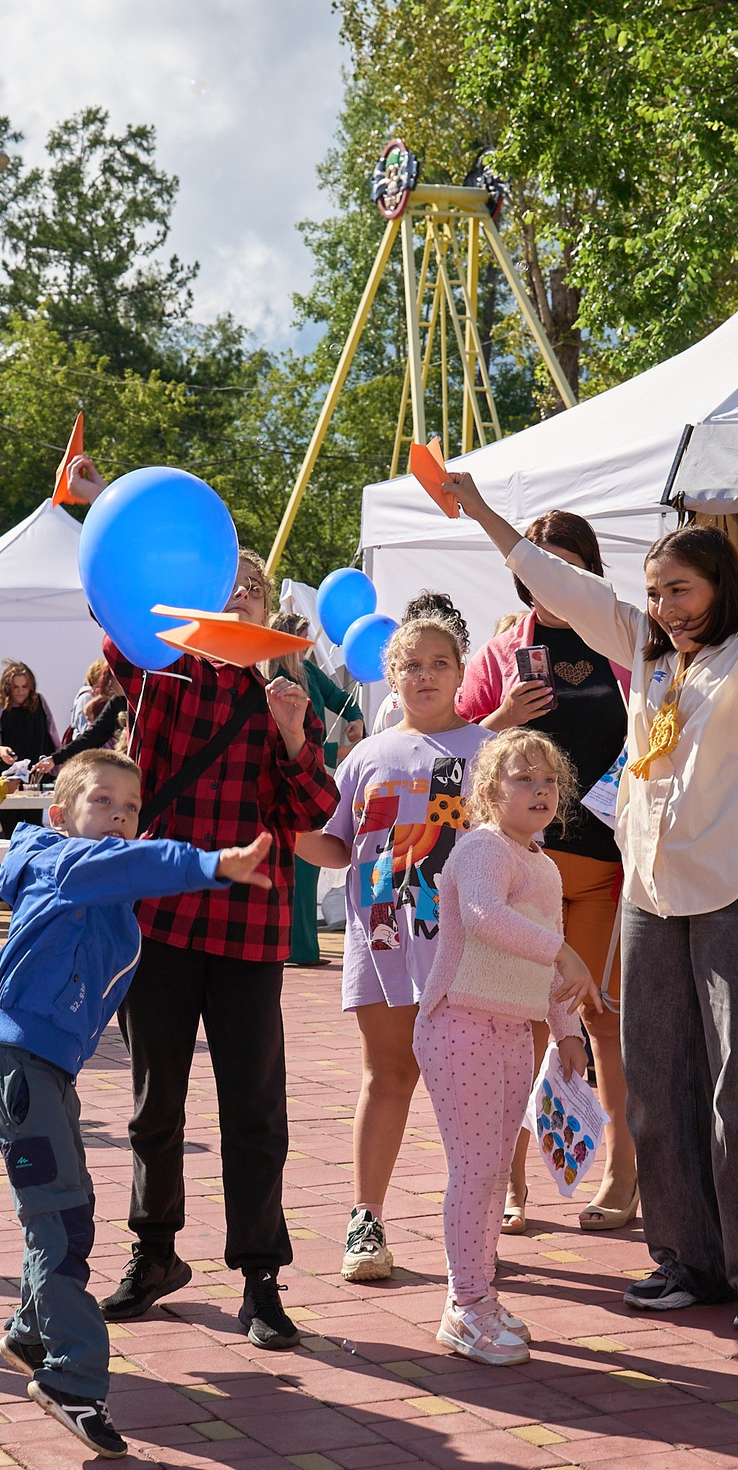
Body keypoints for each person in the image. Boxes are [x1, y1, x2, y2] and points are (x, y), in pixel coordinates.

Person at [442, 453, 738, 1335]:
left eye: (682, 588)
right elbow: (564, 588)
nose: (665, 605)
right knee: (658, 1077)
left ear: (719, 587)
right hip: (653, 888)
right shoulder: (646, 650)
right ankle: (686, 1257)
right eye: (655, 590)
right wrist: (480, 515)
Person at [0, 752, 274, 1456]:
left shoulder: (103, 889)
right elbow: (127, 865)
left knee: (62, 1207)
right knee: (62, 1222)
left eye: (130, 808)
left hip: (47, 1074)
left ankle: (31, 1330)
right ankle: (73, 1378)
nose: (117, 817)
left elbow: (127, 875)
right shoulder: (60, 862)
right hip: (22, 1069)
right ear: (59, 815)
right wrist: (208, 864)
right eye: (102, 802)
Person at [94, 550, 338, 1351]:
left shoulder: (283, 695)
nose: (242, 592)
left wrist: (297, 734)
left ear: (270, 610)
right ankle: (154, 1251)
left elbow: (309, 810)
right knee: (154, 1100)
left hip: (248, 927)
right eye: (226, 582)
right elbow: (115, 627)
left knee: (255, 1107)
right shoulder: (164, 671)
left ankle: (261, 1278)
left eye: (256, 585)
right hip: (161, 915)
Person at [295, 618, 491, 1286]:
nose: (426, 674)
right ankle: (366, 1219)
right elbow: (337, 844)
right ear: (392, 674)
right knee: (388, 1075)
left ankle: (476, 1221)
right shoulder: (367, 757)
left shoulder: (488, 749)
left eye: (440, 661)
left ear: (462, 670)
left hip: (466, 949)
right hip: (381, 940)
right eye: (411, 664)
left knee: (469, 1088)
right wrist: (283, 831)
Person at [455, 512, 636, 1235]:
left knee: (600, 1018)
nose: (549, 577)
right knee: (519, 1022)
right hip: (520, 876)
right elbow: (454, 756)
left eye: (564, 563)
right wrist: (500, 718)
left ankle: (624, 1171)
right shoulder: (501, 652)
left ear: (588, 569)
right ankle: (510, 1178)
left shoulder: (623, 643)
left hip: (604, 868)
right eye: (536, 563)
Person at [414, 731, 596, 1363]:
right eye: (523, 779)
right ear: (489, 792)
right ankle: (465, 1304)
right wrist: (563, 952)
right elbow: (488, 916)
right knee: (475, 1169)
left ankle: (476, 1295)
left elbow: (548, 968)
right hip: (459, 1023)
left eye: (549, 781)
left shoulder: (543, 864)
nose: (540, 790)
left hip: (512, 1032)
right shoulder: (482, 849)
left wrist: (568, 1033)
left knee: (494, 1173)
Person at [273, 611, 364, 969]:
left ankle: (304, 947)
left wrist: (355, 719)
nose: (308, 642)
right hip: (289, 775)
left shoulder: (308, 671)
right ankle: (294, 948)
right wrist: (341, 752)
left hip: (314, 779)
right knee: (294, 866)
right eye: (301, 635)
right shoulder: (274, 677)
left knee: (306, 868)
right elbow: (284, 736)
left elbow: (343, 698)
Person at [0, 659, 61, 775]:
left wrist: (57, 765)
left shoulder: (39, 701)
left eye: (24, 686)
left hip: (36, 774)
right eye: (15, 687)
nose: (20, 691)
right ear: (7, 687)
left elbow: (53, 736)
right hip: (4, 776)